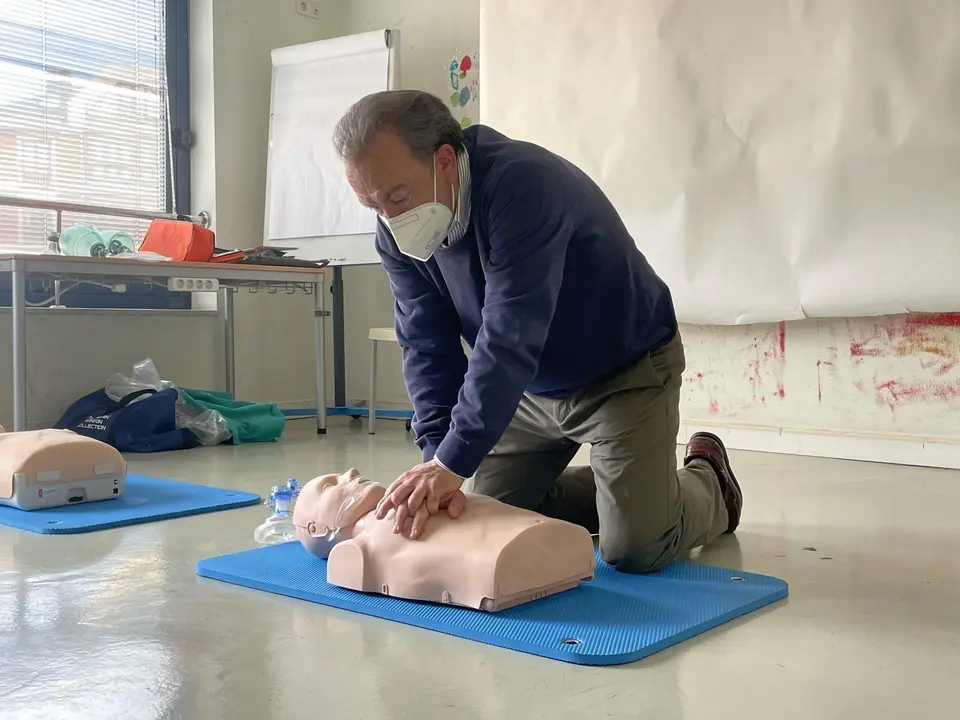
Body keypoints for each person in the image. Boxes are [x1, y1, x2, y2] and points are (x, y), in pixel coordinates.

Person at [332, 90, 743, 574]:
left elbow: (510, 333)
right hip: (527, 391)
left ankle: (709, 482)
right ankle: (627, 489)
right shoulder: (395, 234)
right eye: (373, 205)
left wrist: (452, 464)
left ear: (443, 161)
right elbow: (425, 344)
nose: (390, 219)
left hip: (622, 371)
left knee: (636, 550)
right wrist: (436, 459)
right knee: (482, 519)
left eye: (398, 197)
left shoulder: (523, 185)